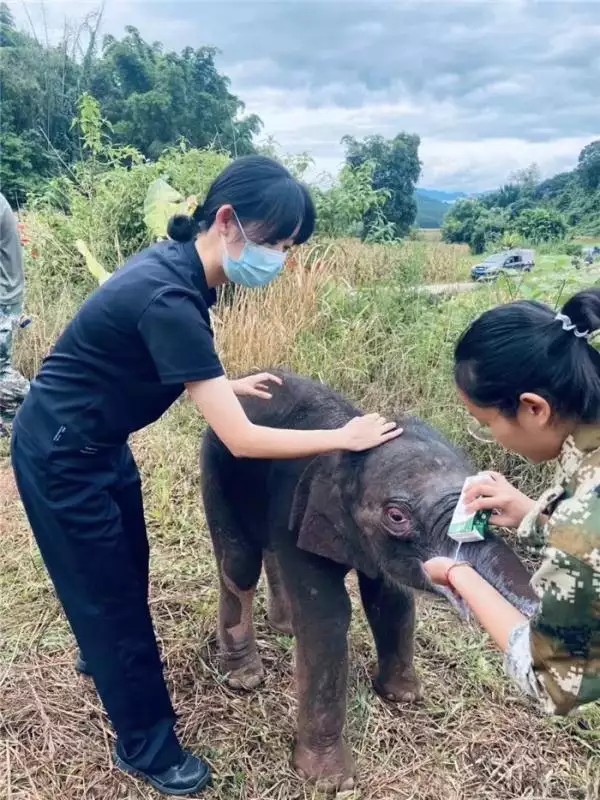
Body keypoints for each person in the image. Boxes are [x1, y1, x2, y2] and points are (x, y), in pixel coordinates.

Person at [11, 155, 402, 797]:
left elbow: (169, 360)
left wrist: (222, 382)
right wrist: (344, 434)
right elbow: (242, 440)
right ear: (227, 221)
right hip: (62, 453)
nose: (280, 258)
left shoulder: (184, 271)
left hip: (96, 440)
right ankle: (148, 747)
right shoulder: (170, 294)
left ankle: (100, 650)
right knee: (113, 601)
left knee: (122, 566)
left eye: (289, 247)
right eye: (276, 242)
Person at [424, 288, 600, 717]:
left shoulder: (585, 518)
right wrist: (533, 516)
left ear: (534, 408)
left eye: (486, 424)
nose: (491, 436)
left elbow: (554, 684)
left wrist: (461, 575)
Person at [0, 192, 29, 437]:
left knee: (0, 371)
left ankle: (48, 404)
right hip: (6, 297)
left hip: (2, 299)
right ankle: (8, 425)